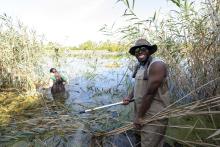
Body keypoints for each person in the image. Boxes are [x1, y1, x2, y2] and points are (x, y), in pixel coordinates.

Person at [123, 39, 169, 147]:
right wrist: (129, 97)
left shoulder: (157, 65)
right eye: (137, 50)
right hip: (140, 110)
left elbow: (150, 93)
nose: (139, 52)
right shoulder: (139, 65)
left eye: (143, 49)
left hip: (154, 115)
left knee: (150, 143)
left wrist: (139, 117)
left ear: (149, 51)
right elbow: (137, 85)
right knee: (139, 139)